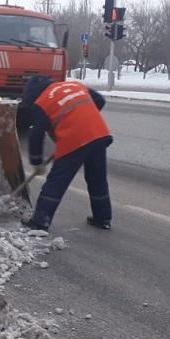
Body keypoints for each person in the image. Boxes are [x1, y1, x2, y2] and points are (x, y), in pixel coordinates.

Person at [20, 76, 113, 231]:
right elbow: (99, 100)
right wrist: (83, 117)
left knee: (57, 181)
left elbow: (36, 135)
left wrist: (36, 162)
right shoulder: (74, 85)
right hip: (99, 134)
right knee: (97, 178)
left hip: (74, 139)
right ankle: (103, 218)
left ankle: (40, 222)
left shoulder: (41, 102)